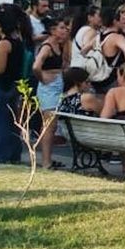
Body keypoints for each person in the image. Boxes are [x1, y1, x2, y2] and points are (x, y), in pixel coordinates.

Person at [0, 5, 29, 164]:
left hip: (3, 85)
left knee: (1, 121)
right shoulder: (17, 40)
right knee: (13, 122)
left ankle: (0, 154)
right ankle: (14, 154)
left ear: (0, 25)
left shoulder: (3, 44)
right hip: (15, 84)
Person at [31, 16, 70, 170]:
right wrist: (42, 78)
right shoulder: (47, 46)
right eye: (61, 28)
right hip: (49, 87)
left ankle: (47, 159)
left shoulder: (60, 45)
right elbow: (36, 66)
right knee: (49, 125)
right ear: (53, 30)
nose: (65, 30)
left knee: (50, 126)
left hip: (57, 82)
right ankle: (46, 161)